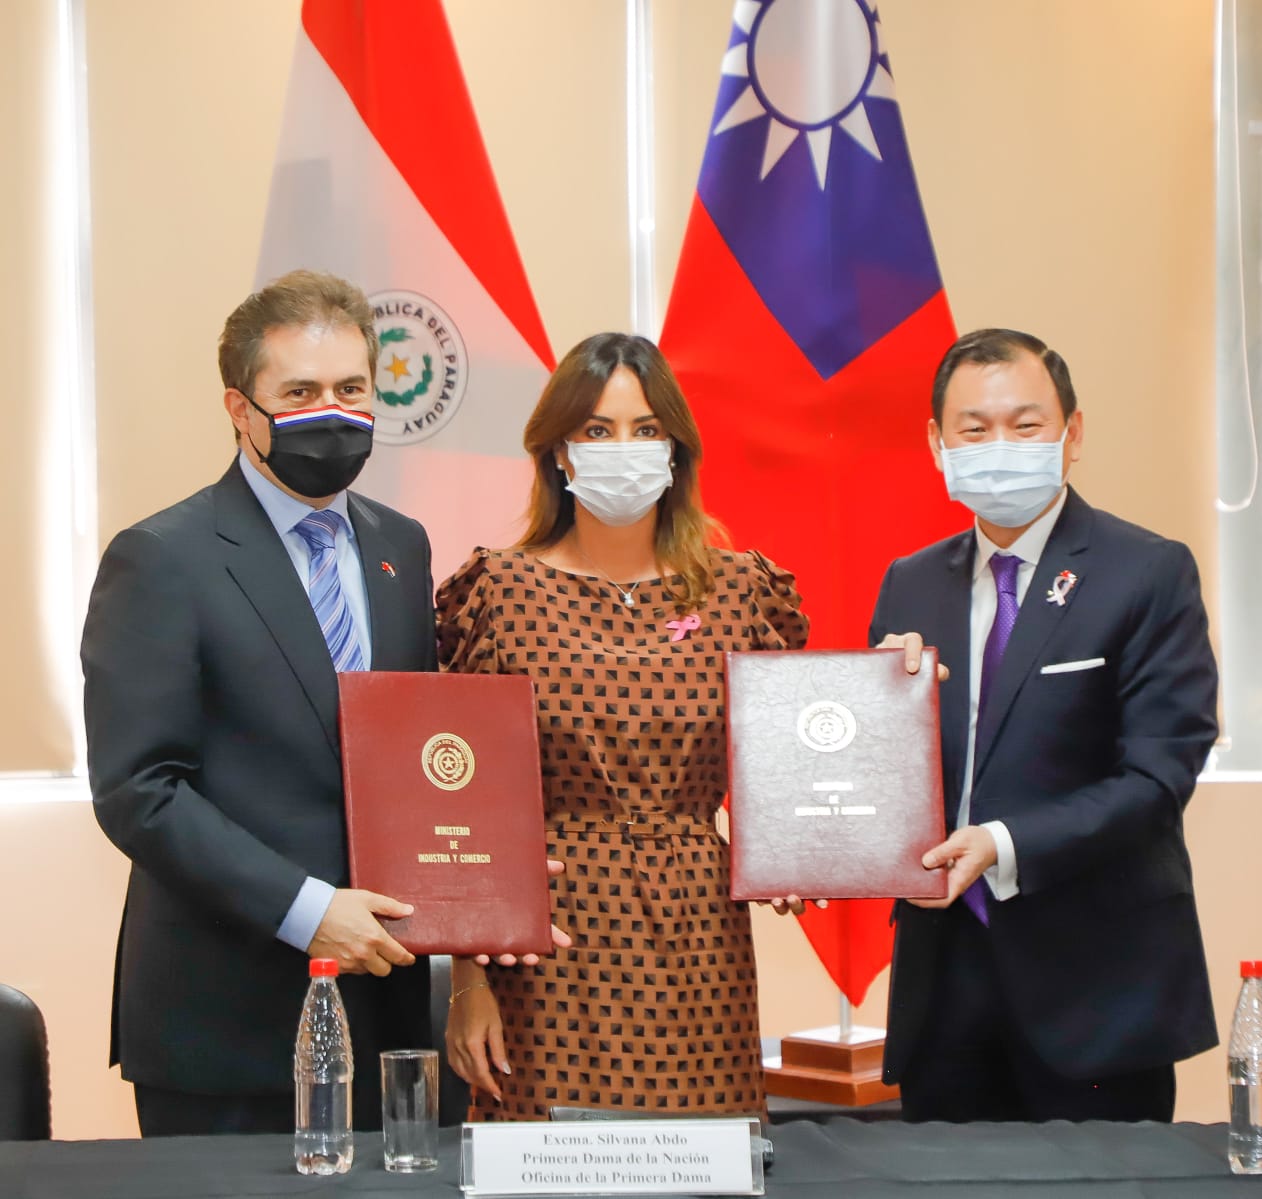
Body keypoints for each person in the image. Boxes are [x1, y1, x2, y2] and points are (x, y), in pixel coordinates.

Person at [80, 270, 439, 1136]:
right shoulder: (163, 556)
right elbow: (140, 789)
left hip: (389, 1007)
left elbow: (414, 748)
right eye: (302, 392)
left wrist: (478, 876)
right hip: (226, 1022)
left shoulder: (401, 543)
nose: (335, 409)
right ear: (242, 409)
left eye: (353, 388)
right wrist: (309, 909)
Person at [437, 332, 811, 1120]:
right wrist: (468, 982)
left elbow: (798, 756)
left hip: (701, 932)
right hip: (547, 938)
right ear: (559, 453)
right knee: (545, 1168)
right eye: (598, 431)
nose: (624, 449)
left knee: (702, 1160)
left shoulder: (743, 589)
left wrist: (811, 840)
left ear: (676, 448)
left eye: (645, 429)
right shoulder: (497, 591)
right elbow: (466, 810)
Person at [869, 327, 1218, 1122]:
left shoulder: (1147, 571)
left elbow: (1159, 777)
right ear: (937, 442)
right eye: (974, 427)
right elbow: (885, 776)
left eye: (1025, 426)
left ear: (1072, 434)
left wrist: (1003, 842)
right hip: (943, 987)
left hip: (1097, 986)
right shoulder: (910, 582)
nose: (1000, 446)